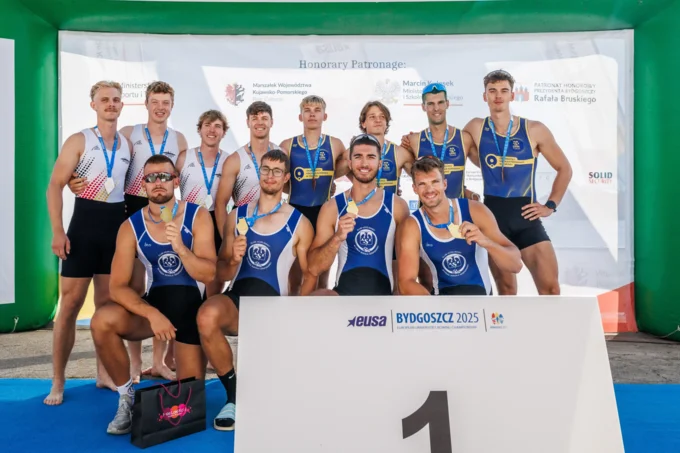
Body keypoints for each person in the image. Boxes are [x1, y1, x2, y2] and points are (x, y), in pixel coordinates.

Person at [68, 81, 188, 383]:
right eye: (155, 101)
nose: (160, 107)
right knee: (132, 290)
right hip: (133, 212)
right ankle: (135, 364)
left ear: (172, 106)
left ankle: (159, 361)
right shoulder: (129, 134)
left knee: (164, 285)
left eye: (166, 102)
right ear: (146, 104)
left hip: (164, 213)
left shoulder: (179, 139)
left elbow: (184, 179)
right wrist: (72, 180)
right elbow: (106, 166)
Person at [90, 154, 217, 435]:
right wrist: (152, 314)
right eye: (151, 178)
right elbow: (117, 287)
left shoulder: (197, 215)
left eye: (164, 176)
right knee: (102, 320)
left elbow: (208, 274)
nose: (158, 182)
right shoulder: (130, 226)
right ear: (143, 185)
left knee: (188, 405)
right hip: (156, 305)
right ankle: (126, 397)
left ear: (175, 181)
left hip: (190, 311)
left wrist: (180, 247)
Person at [197, 149, 314, 431]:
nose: (270, 176)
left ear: (286, 178)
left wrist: (297, 308)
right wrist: (233, 259)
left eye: (277, 171)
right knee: (206, 315)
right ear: (259, 173)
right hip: (238, 302)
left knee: (270, 386)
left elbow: (310, 273)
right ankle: (234, 397)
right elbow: (221, 272)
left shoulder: (299, 223)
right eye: (266, 169)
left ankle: (270, 396)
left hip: (274, 307)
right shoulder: (237, 215)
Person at [45, 80, 132, 405]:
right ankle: (58, 379)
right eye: (104, 99)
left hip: (114, 231)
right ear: (93, 105)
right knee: (69, 305)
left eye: (116, 99)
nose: (111, 104)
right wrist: (58, 231)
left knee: (107, 305)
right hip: (83, 229)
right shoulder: (79, 140)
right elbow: (54, 186)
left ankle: (103, 373)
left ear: (122, 105)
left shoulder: (127, 144)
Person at [463, 69, 572, 295]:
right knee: (507, 292)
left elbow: (565, 168)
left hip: (526, 218)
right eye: (492, 91)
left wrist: (550, 205)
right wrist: (464, 190)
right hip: (493, 220)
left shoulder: (534, 130)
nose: (498, 96)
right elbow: (451, 155)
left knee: (551, 290)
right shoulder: (475, 127)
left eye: (504, 91)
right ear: (484, 96)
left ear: (512, 95)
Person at [398, 156, 522, 295]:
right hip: (443, 303)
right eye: (422, 184)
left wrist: (485, 242)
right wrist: (435, 307)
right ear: (415, 188)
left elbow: (515, 265)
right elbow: (406, 282)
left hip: (481, 303)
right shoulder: (413, 225)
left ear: (445, 184)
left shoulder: (475, 211)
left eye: (435, 182)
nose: (429, 189)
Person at [305, 134, 410, 296]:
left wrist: (396, 296)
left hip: (384, 299)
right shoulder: (332, 207)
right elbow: (313, 267)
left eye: (371, 157)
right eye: (358, 157)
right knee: (318, 297)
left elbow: (407, 262)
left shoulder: (397, 206)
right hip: (344, 297)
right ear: (350, 163)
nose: (364, 163)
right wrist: (337, 238)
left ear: (380, 163)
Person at [278, 95, 349, 294]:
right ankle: (294, 310)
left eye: (317, 110)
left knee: (321, 274)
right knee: (295, 277)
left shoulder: (335, 144)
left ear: (324, 116)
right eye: (307, 110)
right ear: (300, 116)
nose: (312, 114)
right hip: (295, 211)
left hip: (324, 212)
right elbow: (280, 182)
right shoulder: (287, 145)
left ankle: (319, 311)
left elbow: (355, 173)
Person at [177, 110, 230, 296]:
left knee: (213, 280)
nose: (212, 130)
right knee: (187, 275)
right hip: (188, 221)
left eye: (217, 126)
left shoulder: (229, 160)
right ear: (199, 130)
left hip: (217, 219)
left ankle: (209, 310)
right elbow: (164, 184)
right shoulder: (184, 157)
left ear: (224, 132)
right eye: (207, 125)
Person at [400, 83, 479, 200]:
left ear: (447, 104)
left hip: (458, 209)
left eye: (440, 102)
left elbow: (487, 167)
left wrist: (466, 191)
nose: (436, 108)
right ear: (423, 107)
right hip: (428, 209)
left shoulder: (464, 138)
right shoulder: (414, 141)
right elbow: (403, 167)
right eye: (431, 104)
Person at [214, 101, 282, 236]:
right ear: (248, 122)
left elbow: (291, 189)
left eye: (264, 118)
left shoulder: (282, 154)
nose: (260, 123)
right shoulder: (235, 160)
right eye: (254, 118)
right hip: (244, 225)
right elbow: (220, 204)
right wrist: (227, 240)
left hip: (274, 223)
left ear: (272, 122)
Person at [358, 100, 415, 194]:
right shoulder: (353, 153)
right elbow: (334, 172)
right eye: (372, 117)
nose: (378, 120)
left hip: (391, 203)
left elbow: (424, 176)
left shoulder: (400, 153)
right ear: (363, 123)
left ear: (386, 123)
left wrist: (414, 146)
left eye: (382, 117)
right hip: (363, 203)